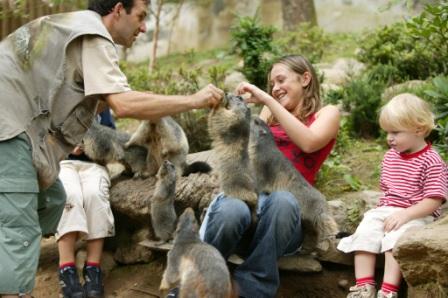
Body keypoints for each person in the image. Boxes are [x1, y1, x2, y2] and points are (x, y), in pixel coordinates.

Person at [0, 0, 224, 296]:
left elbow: (91, 93)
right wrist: (193, 100)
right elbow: (125, 104)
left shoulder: (74, 26)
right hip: (8, 129)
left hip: (18, 129)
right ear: (118, 10)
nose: (144, 27)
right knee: (20, 232)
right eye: (141, 17)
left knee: (53, 200)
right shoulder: (94, 36)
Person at [196, 55, 340, 298]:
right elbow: (243, 151)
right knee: (233, 209)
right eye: (271, 84)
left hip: (282, 223)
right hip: (246, 210)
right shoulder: (269, 112)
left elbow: (309, 142)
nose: (275, 88)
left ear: (305, 78)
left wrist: (268, 100)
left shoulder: (327, 113)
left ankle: (250, 291)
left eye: (281, 80)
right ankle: (196, 285)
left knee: (282, 201)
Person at [337, 93, 447, 298]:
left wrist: (405, 215)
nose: (389, 138)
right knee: (367, 229)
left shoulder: (432, 160)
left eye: (395, 132)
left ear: (420, 129)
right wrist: (381, 214)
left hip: (417, 213)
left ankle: (388, 290)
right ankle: (364, 286)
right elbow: (388, 192)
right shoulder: (390, 156)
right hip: (389, 210)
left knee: (396, 238)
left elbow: (434, 200)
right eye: (387, 132)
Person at [56, 109, 116, 298]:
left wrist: (93, 148)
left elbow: (110, 139)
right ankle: (67, 269)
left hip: (94, 165)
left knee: (94, 195)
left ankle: (93, 269)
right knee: (70, 195)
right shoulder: (57, 100)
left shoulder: (101, 105)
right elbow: (45, 135)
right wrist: (67, 147)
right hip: (63, 163)